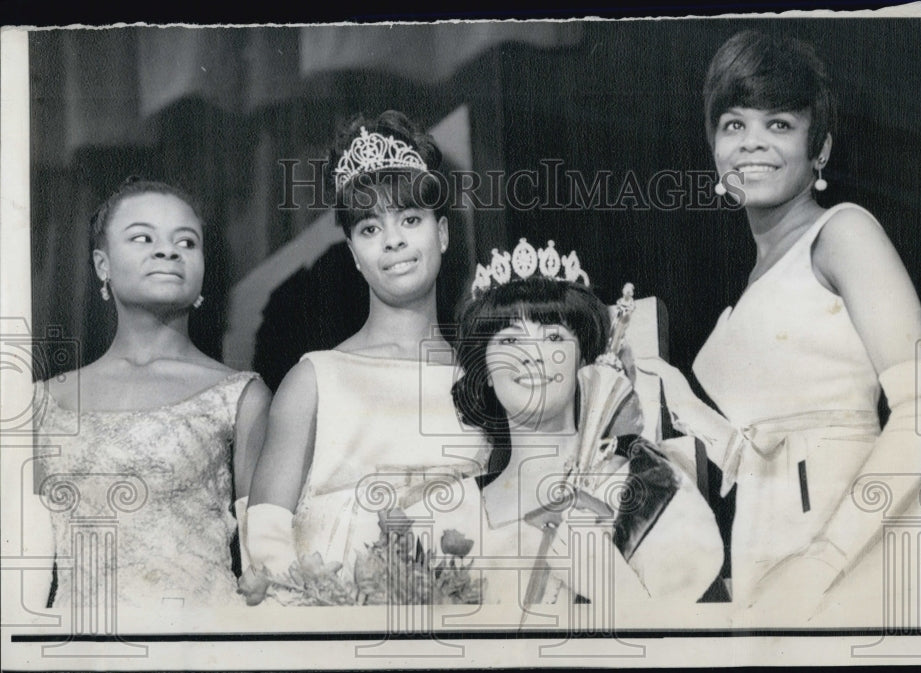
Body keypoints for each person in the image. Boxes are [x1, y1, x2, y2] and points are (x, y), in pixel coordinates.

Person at [638, 31, 921, 624]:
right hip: (766, 546)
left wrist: (822, 560)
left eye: (778, 123)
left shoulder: (843, 234)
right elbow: (764, 448)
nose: (751, 143)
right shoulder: (755, 274)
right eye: (733, 124)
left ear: (821, 147)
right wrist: (678, 397)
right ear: (713, 146)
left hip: (861, 548)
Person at [245, 111, 487, 599]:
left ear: (441, 234)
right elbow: (267, 545)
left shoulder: (483, 377)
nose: (393, 239)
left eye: (411, 219)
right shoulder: (313, 379)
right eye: (370, 229)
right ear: (355, 254)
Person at [407, 243, 723, 610]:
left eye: (554, 336)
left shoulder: (648, 490)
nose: (531, 354)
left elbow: (704, 651)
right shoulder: (443, 511)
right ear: (486, 372)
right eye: (508, 339)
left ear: (585, 361)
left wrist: (610, 584)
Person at [32, 178, 271, 609]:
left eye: (187, 241)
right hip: (78, 650)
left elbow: (265, 566)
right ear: (102, 264)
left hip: (199, 642)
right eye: (143, 237)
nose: (168, 251)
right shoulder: (42, 401)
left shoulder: (239, 396)